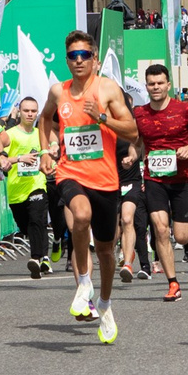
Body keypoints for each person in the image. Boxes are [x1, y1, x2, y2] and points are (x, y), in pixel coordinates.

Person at [47, 29, 136, 343]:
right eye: (73, 55)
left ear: (95, 59)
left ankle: (105, 303)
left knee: (106, 252)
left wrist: (103, 118)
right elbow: (46, 118)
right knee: (79, 216)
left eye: (85, 55)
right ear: (67, 59)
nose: (79, 60)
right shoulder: (59, 92)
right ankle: (84, 282)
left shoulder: (109, 89)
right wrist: (48, 149)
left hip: (106, 180)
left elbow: (133, 132)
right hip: (70, 173)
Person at [129, 64, 188, 299]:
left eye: (160, 83)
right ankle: (173, 283)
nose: (156, 87)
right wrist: (132, 155)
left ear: (168, 85)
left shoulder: (185, 109)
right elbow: (137, 142)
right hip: (154, 179)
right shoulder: (139, 113)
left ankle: (183, 241)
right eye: (151, 84)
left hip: (181, 179)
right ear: (146, 86)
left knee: (180, 236)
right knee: (160, 229)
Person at [0, 95, 52, 279]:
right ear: (19, 112)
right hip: (16, 190)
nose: (30, 114)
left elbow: (54, 143)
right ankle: (44, 254)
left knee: (38, 219)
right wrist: (18, 159)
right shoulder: (10, 134)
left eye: (33, 111)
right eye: (26, 111)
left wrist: (53, 149)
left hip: (37, 185)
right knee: (27, 227)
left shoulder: (41, 133)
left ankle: (36, 259)